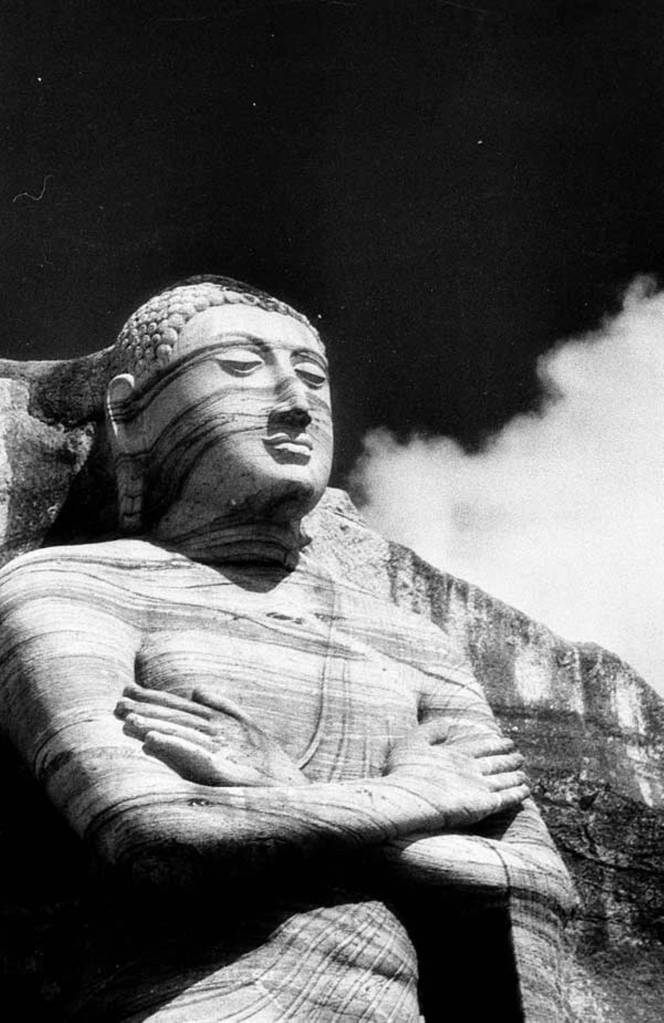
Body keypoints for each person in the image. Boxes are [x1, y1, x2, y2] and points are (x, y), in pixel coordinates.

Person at [0, 276, 574, 1021]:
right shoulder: (70, 588)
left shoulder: (409, 639)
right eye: (240, 368)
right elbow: (149, 829)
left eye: (313, 377)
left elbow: (535, 882)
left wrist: (279, 795)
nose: (296, 403)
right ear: (130, 413)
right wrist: (416, 800)